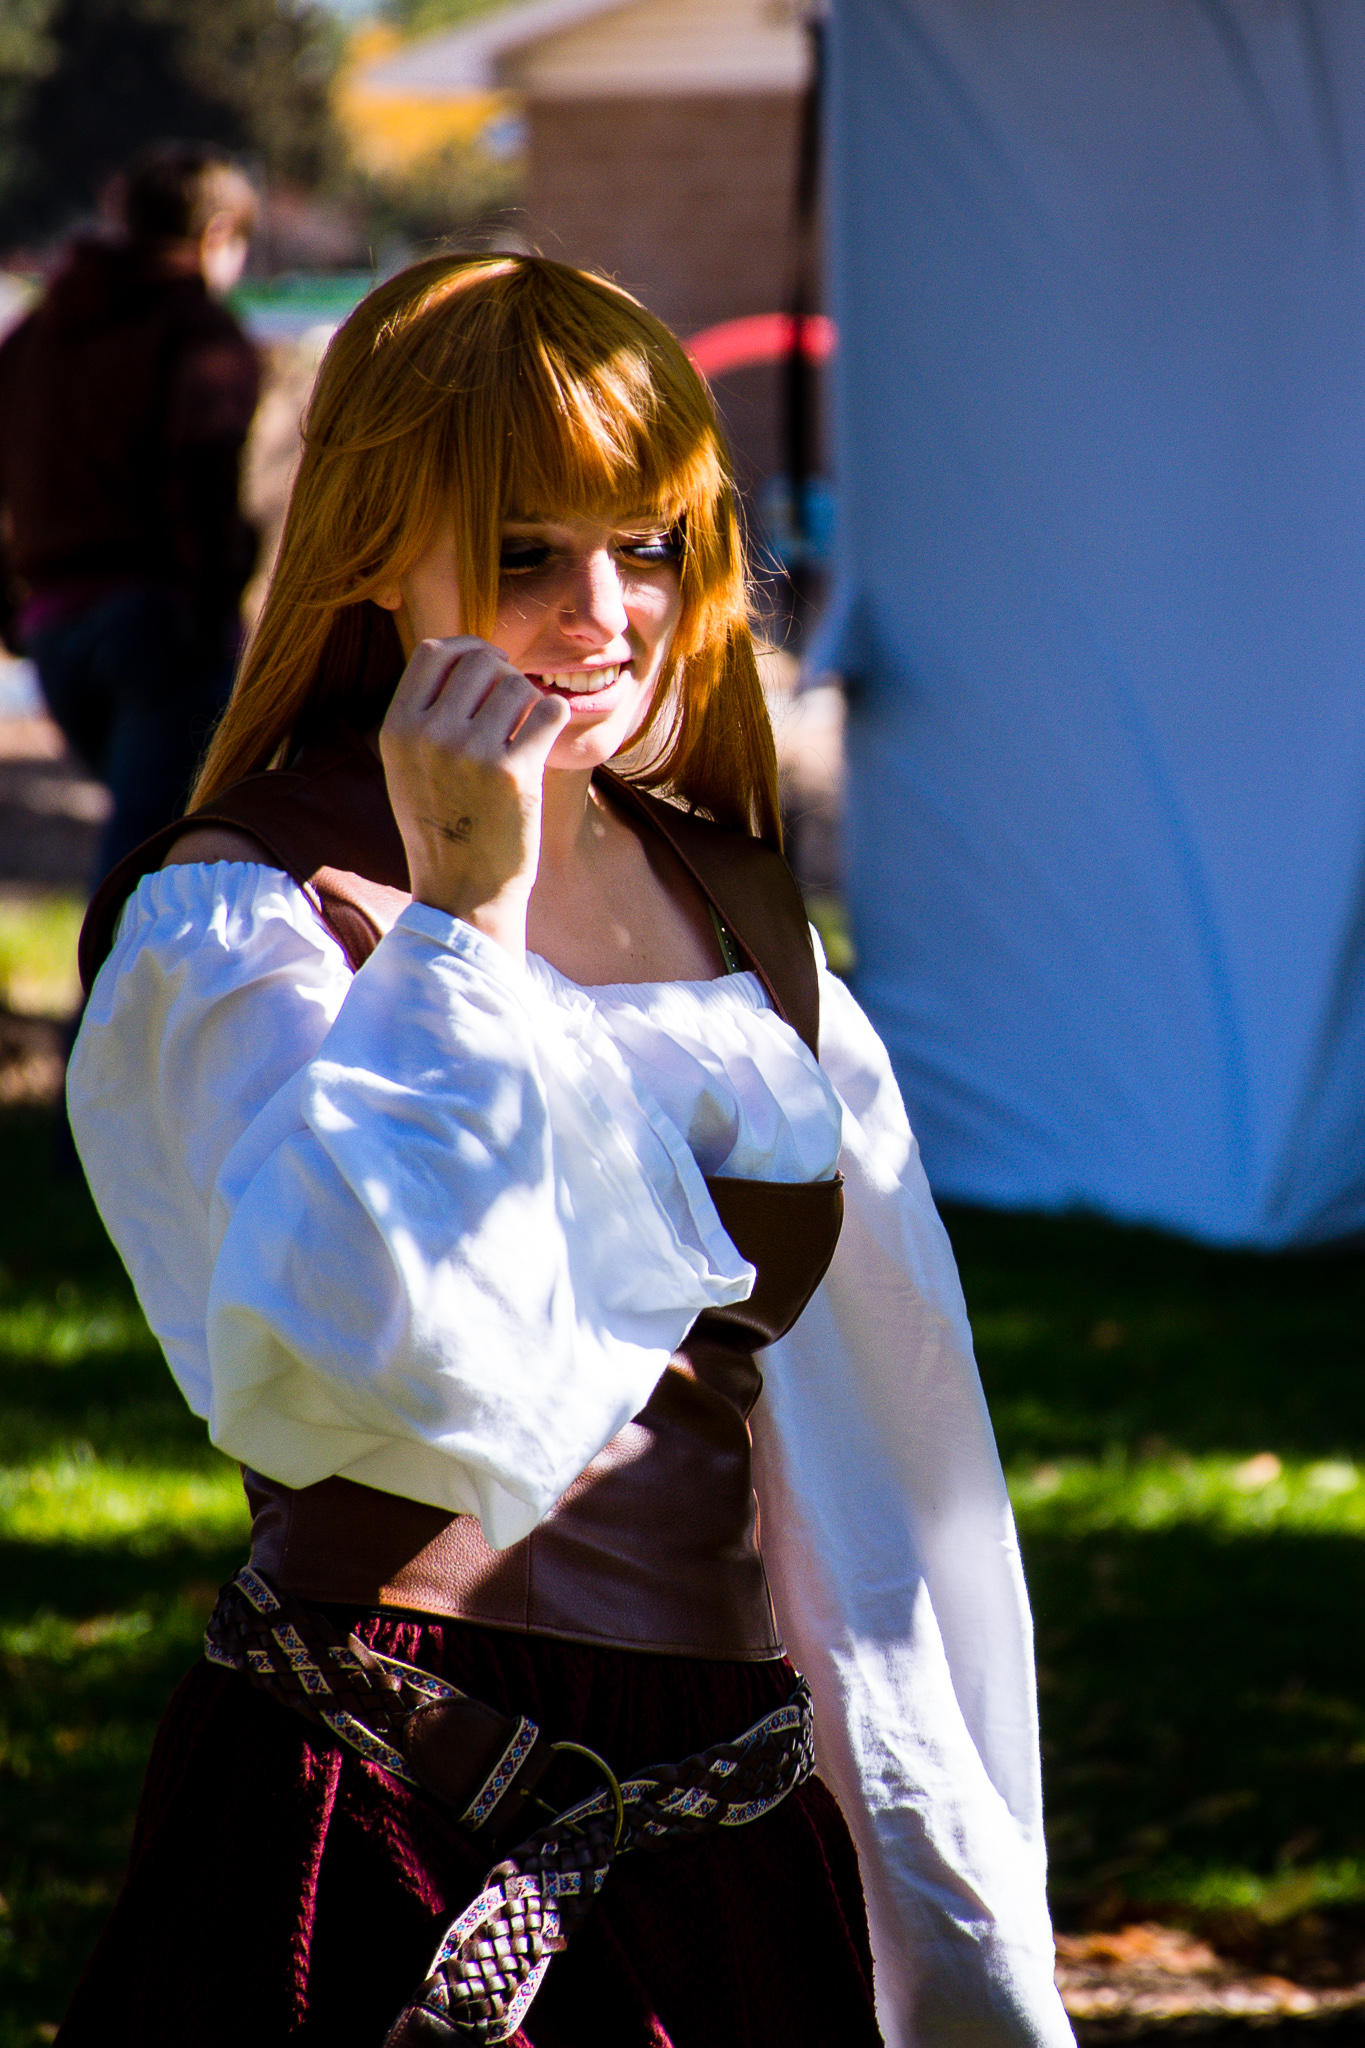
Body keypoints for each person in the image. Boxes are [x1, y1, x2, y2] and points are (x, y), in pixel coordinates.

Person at [59, 255, 1074, 2047]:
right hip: (380, 1812)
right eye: (526, 551)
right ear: (377, 550)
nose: (602, 613)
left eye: (648, 544)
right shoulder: (247, 914)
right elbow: (354, 1364)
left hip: (720, 1826)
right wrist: (461, 916)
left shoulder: (744, 921)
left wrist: (950, 1906)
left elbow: (891, 1462)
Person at [0, 139, 260, 885]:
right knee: (156, 857)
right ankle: (110, 970)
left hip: (54, 625)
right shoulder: (196, 332)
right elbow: (203, 473)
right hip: (159, 622)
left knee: (141, 834)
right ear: (216, 234)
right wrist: (212, 608)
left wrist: (12, 610)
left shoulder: (37, 333)